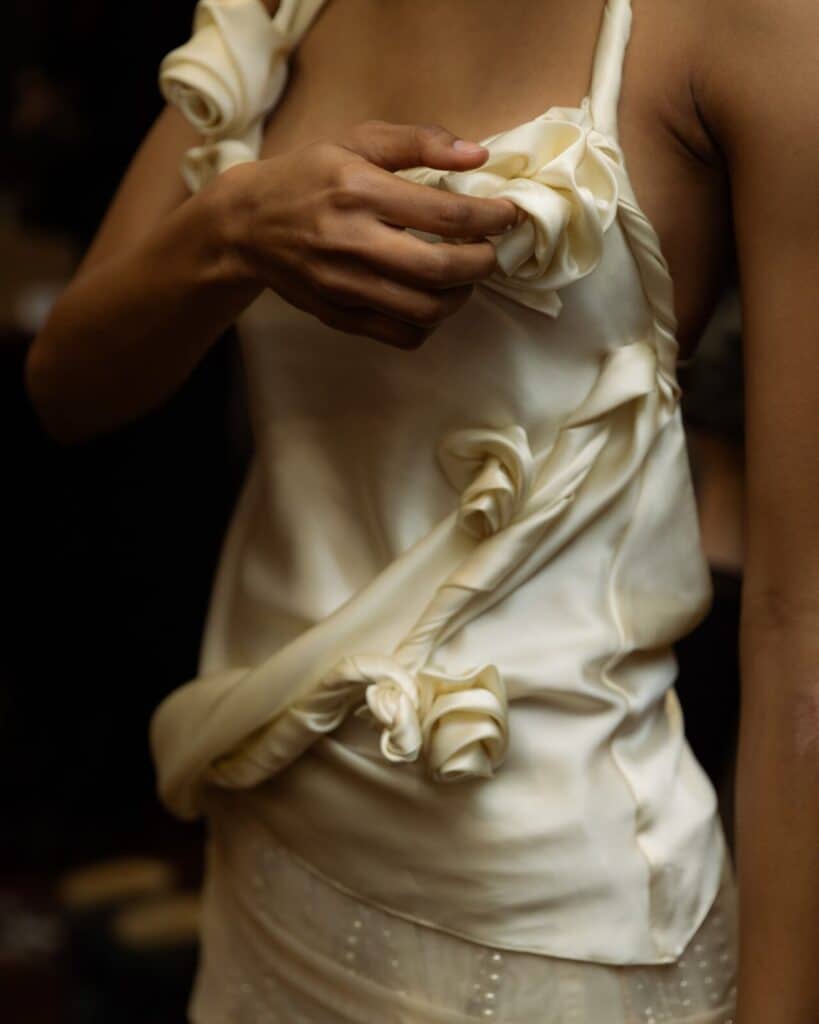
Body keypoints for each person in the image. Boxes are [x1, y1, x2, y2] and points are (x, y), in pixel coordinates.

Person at [24, 0, 818, 1020]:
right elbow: (67, 386)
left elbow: (801, 622)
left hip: (556, 928)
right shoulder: (283, 9)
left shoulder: (753, 25)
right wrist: (230, 234)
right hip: (269, 868)